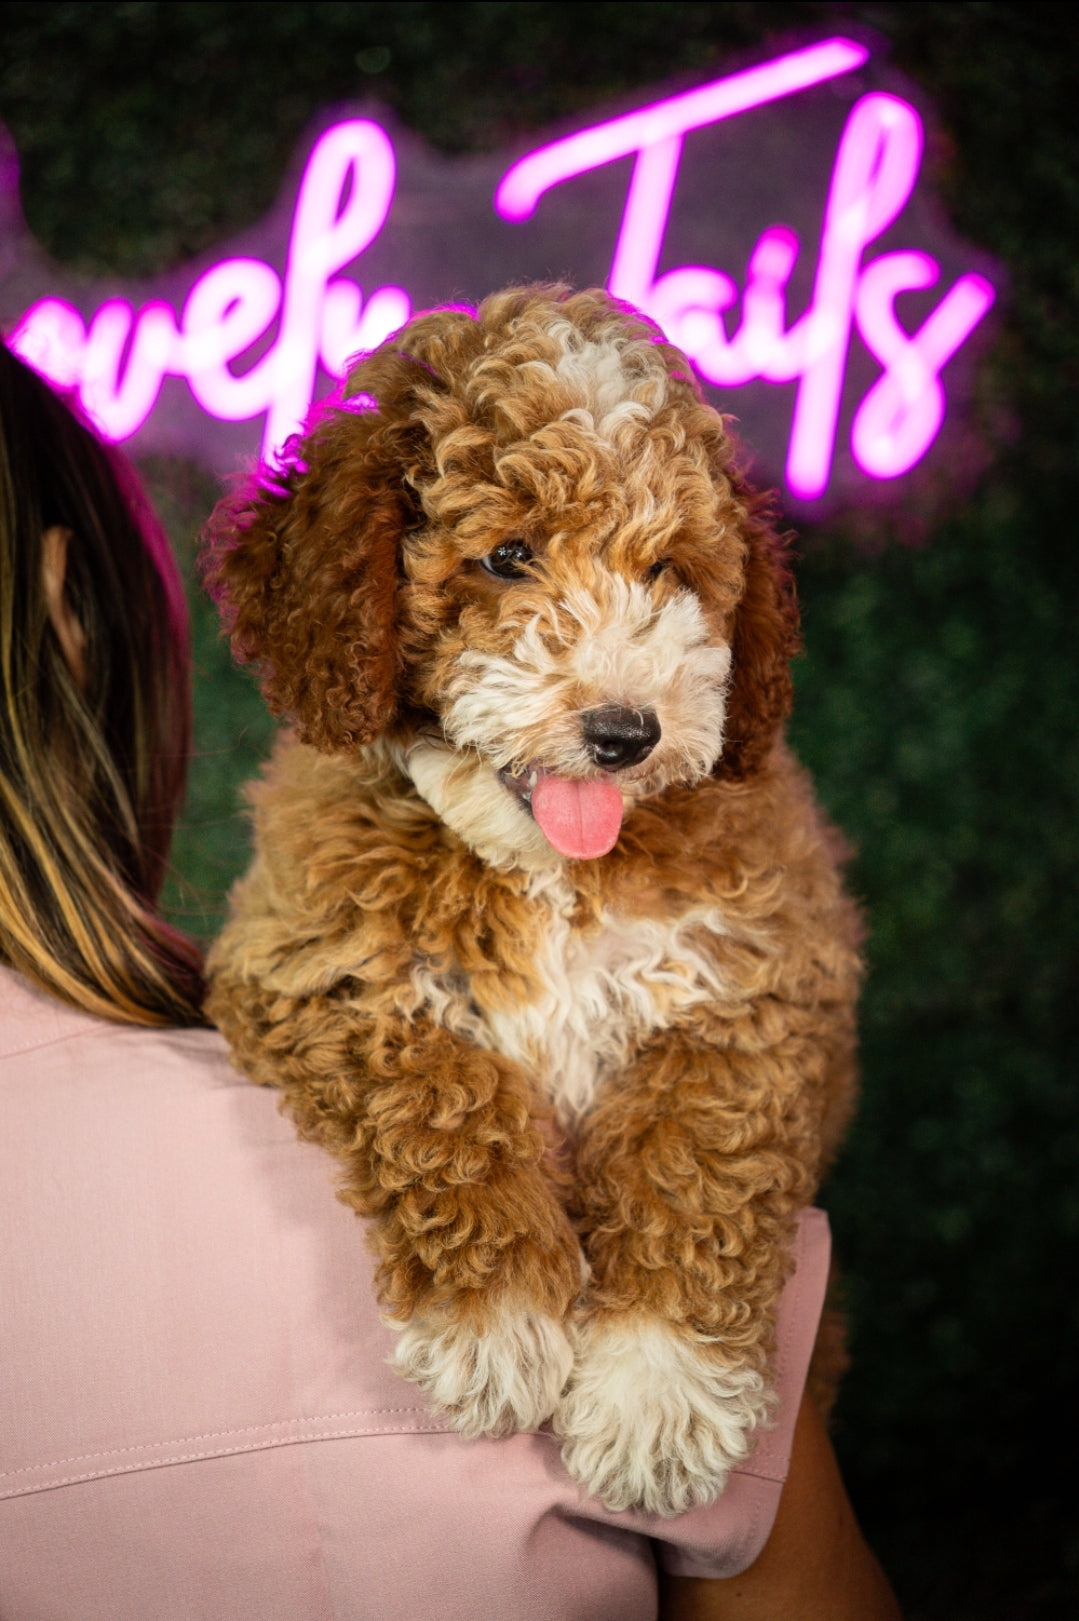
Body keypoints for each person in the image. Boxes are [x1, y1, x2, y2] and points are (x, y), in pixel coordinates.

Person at [0, 342, 901, 1620]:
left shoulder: (723, 882)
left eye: (663, 573)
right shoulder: (319, 948)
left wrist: (684, 1295)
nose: (617, 678)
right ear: (63, 608)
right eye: (509, 559)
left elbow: (763, 1040)